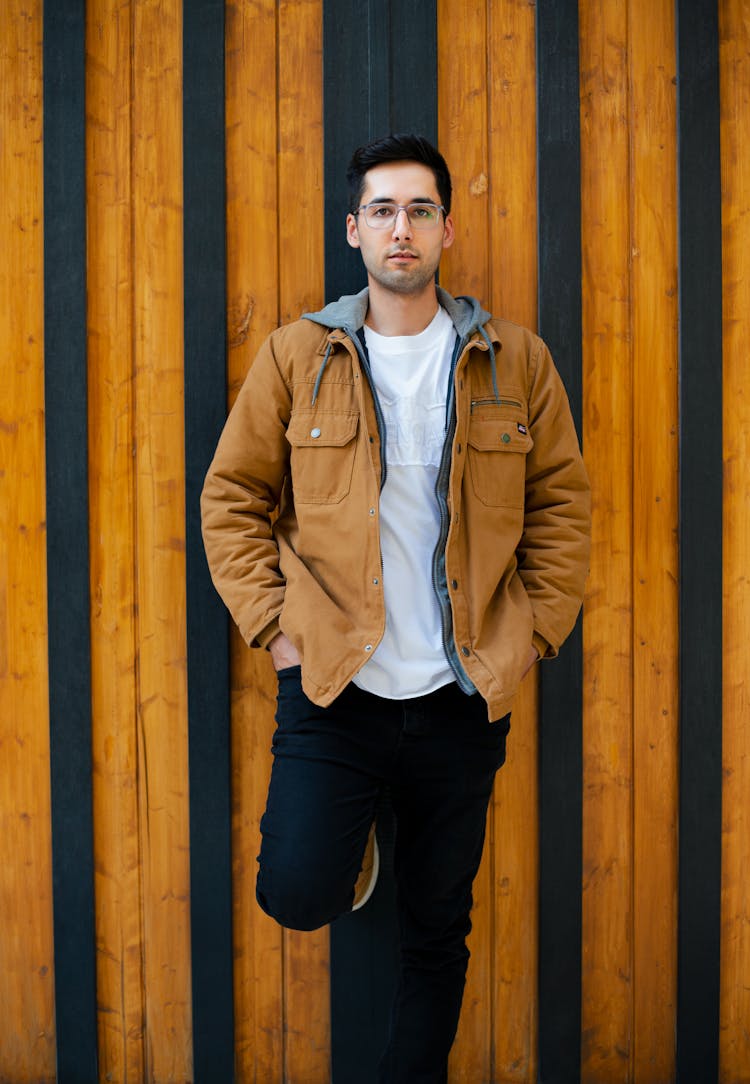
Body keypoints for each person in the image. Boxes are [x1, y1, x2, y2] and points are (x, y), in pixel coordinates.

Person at [201, 133, 590, 1083]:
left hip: (462, 694)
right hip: (336, 686)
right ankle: (358, 822)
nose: (401, 228)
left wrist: (532, 634)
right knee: (295, 891)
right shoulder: (300, 356)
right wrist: (276, 631)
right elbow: (231, 500)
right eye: (382, 210)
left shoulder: (515, 361)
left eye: (419, 210)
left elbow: (563, 510)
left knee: (435, 932)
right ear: (354, 231)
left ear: (447, 229)